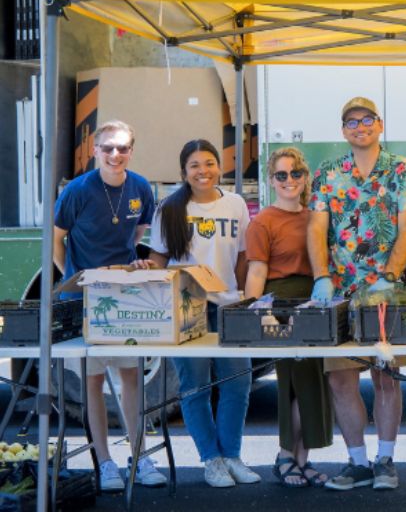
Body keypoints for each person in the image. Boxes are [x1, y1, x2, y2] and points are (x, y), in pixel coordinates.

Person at [308, 97, 406, 491]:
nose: (360, 126)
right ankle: (356, 462)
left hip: (389, 293)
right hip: (339, 293)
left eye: (367, 119)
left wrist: (389, 274)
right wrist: (321, 275)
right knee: (341, 380)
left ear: (380, 124)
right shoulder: (327, 173)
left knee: (386, 375)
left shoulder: (404, 170)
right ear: (343, 131)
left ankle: (386, 460)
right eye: (351, 122)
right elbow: (316, 228)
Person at [53, 120, 167, 492]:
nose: (115, 155)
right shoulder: (77, 190)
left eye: (122, 148)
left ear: (131, 150)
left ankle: (140, 455)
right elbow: (56, 239)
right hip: (86, 299)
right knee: (93, 380)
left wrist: (130, 263)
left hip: (123, 297)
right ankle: (104, 462)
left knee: (132, 376)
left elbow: (135, 235)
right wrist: (73, 276)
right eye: (107, 148)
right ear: (95, 151)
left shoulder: (140, 187)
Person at [142, 139, 260, 488]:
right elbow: (159, 260)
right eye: (194, 165)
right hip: (187, 307)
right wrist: (145, 268)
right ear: (184, 172)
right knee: (195, 388)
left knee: (238, 384)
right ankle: (210, 460)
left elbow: (242, 256)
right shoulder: (170, 208)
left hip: (228, 305)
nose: (203, 171)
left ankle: (231, 456)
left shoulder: (236, 204)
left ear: (218, 167)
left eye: (209, 163)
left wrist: (241, 299)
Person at [243, 147, 332, 488]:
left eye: (296, 173)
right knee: (293, 386)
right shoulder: (263, 221)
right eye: (281, 175)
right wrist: (252, 316)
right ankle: (285, 456)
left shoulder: (316, 216)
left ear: (305, 177)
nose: (290, 180)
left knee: (315, 384)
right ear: (271, 180)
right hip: (281, 307)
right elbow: (256, 272)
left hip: (315, 304)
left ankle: (303, 458)